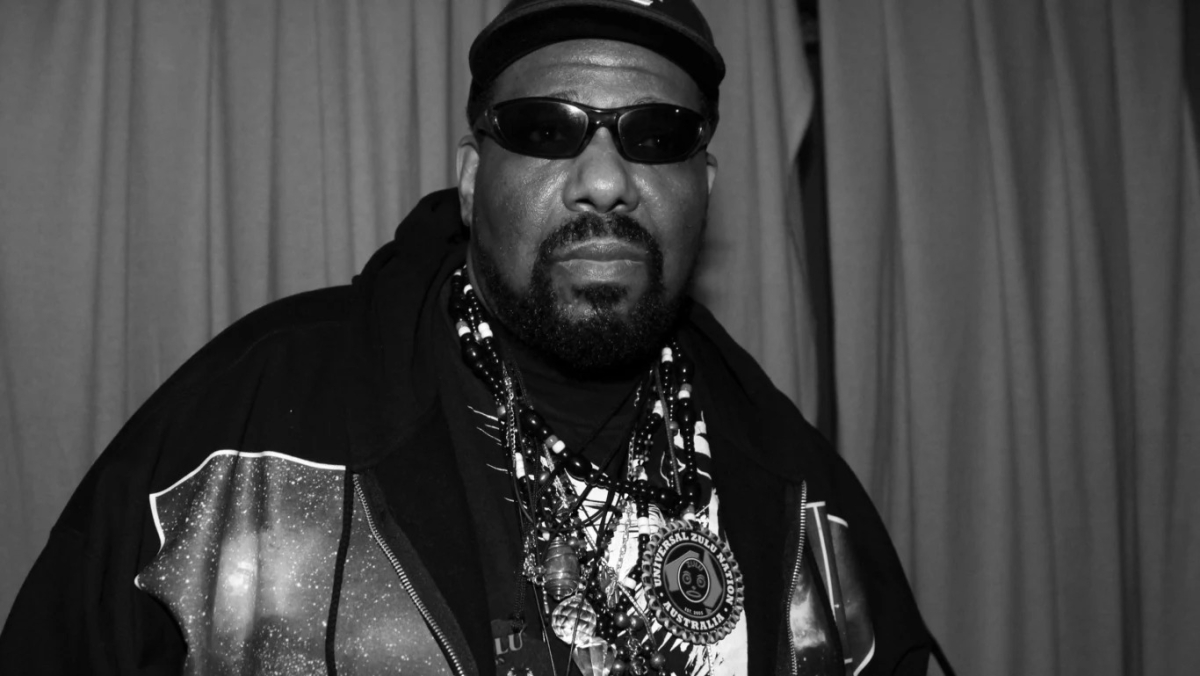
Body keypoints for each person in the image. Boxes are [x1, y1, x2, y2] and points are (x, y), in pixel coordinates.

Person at [0, 1, 936, 674]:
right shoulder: (245, 422)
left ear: (707, 186)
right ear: (470, 177)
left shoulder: (795, 488)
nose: (604, 181)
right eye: (546, 129)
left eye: (656, 135)